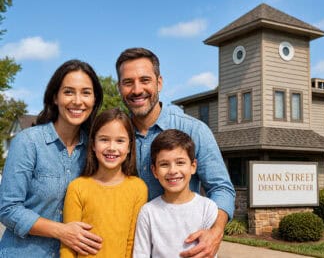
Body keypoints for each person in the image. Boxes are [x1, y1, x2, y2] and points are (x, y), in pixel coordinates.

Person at [115, 47, 236, 257]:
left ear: (159, 82)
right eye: (128, 82)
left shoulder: (195, 130)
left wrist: (216, 231)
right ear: (119, 88)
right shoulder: (114, 138)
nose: (137, 90)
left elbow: (221, 188)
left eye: (145, 80)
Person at [0, 60, 104, 258]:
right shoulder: (28, 142)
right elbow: (8, 208)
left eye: (86, 92)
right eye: (68, 92)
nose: (77, 100)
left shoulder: (95, 149)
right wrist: (61, 231)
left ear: (94, 99)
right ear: (55, 97)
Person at [60, 108, 148, 258]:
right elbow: (68, 245)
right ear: (93, 144)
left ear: (129, 147)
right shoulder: (78, 187)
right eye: (104, 139)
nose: (112, 148)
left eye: (120, 141)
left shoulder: (138, 188)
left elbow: (132, 243)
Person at [133, 129, 219, 257]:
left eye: (180, 162)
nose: (173, 170)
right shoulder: (148, 212)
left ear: (193, 166)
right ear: (155, 171)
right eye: (164, 164)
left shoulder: (208, 208)